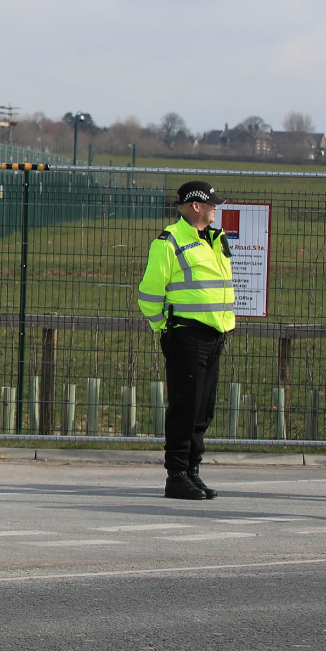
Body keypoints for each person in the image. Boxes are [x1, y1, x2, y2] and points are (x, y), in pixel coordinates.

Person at [138, 181, 237, 501]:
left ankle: (193, 470)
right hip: (186, 334)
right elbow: (149, 293)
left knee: (202, 410)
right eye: (211, 204)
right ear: (196, 206)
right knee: (185, 406)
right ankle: (177, 474)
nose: (215, 208)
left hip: (214, 334)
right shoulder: (169, 241)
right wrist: (163, 328)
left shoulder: (214, 239)